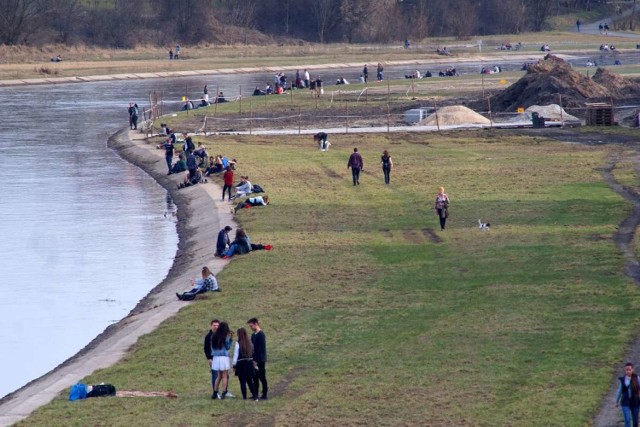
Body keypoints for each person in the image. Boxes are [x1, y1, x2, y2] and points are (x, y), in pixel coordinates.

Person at [232, 327, 259, 401]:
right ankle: (255, 396)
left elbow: (235, 355)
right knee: (250, 381)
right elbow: (253, 353)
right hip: (249, 363)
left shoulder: (238, 343)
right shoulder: (250, 342)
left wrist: (234, 365)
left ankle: (244, 397)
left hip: (241, 364)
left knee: (242, 381)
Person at [210, 321, 233, 399]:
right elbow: (227, 347)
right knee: (224, 375)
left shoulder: (214, 335)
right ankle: (224, 392)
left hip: (216, 358)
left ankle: (215, 392)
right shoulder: (225, 336)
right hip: (223, 357)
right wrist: (230, 340)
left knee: (218, 376)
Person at [248, 317, 268, 400]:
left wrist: (256, 360)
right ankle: (255, 394)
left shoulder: (261, 335)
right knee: (254, 377)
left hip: (260, 359)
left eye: (251, 326)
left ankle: (265, 394)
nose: (250, 328)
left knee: (262, 376)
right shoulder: (253, 335)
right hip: (254, 359)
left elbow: (260, 349)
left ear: (256, 324)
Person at [617, 362, 640, 427]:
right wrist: (617, 401)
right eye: (627, 370)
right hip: (625, 402)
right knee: (627, 419)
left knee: (635, 421)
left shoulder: (637, 378)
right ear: (625, 370)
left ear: (632, 370)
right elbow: (619, 391)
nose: (628, 371)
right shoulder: (623, 380)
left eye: (629, 369)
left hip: (635, 402)